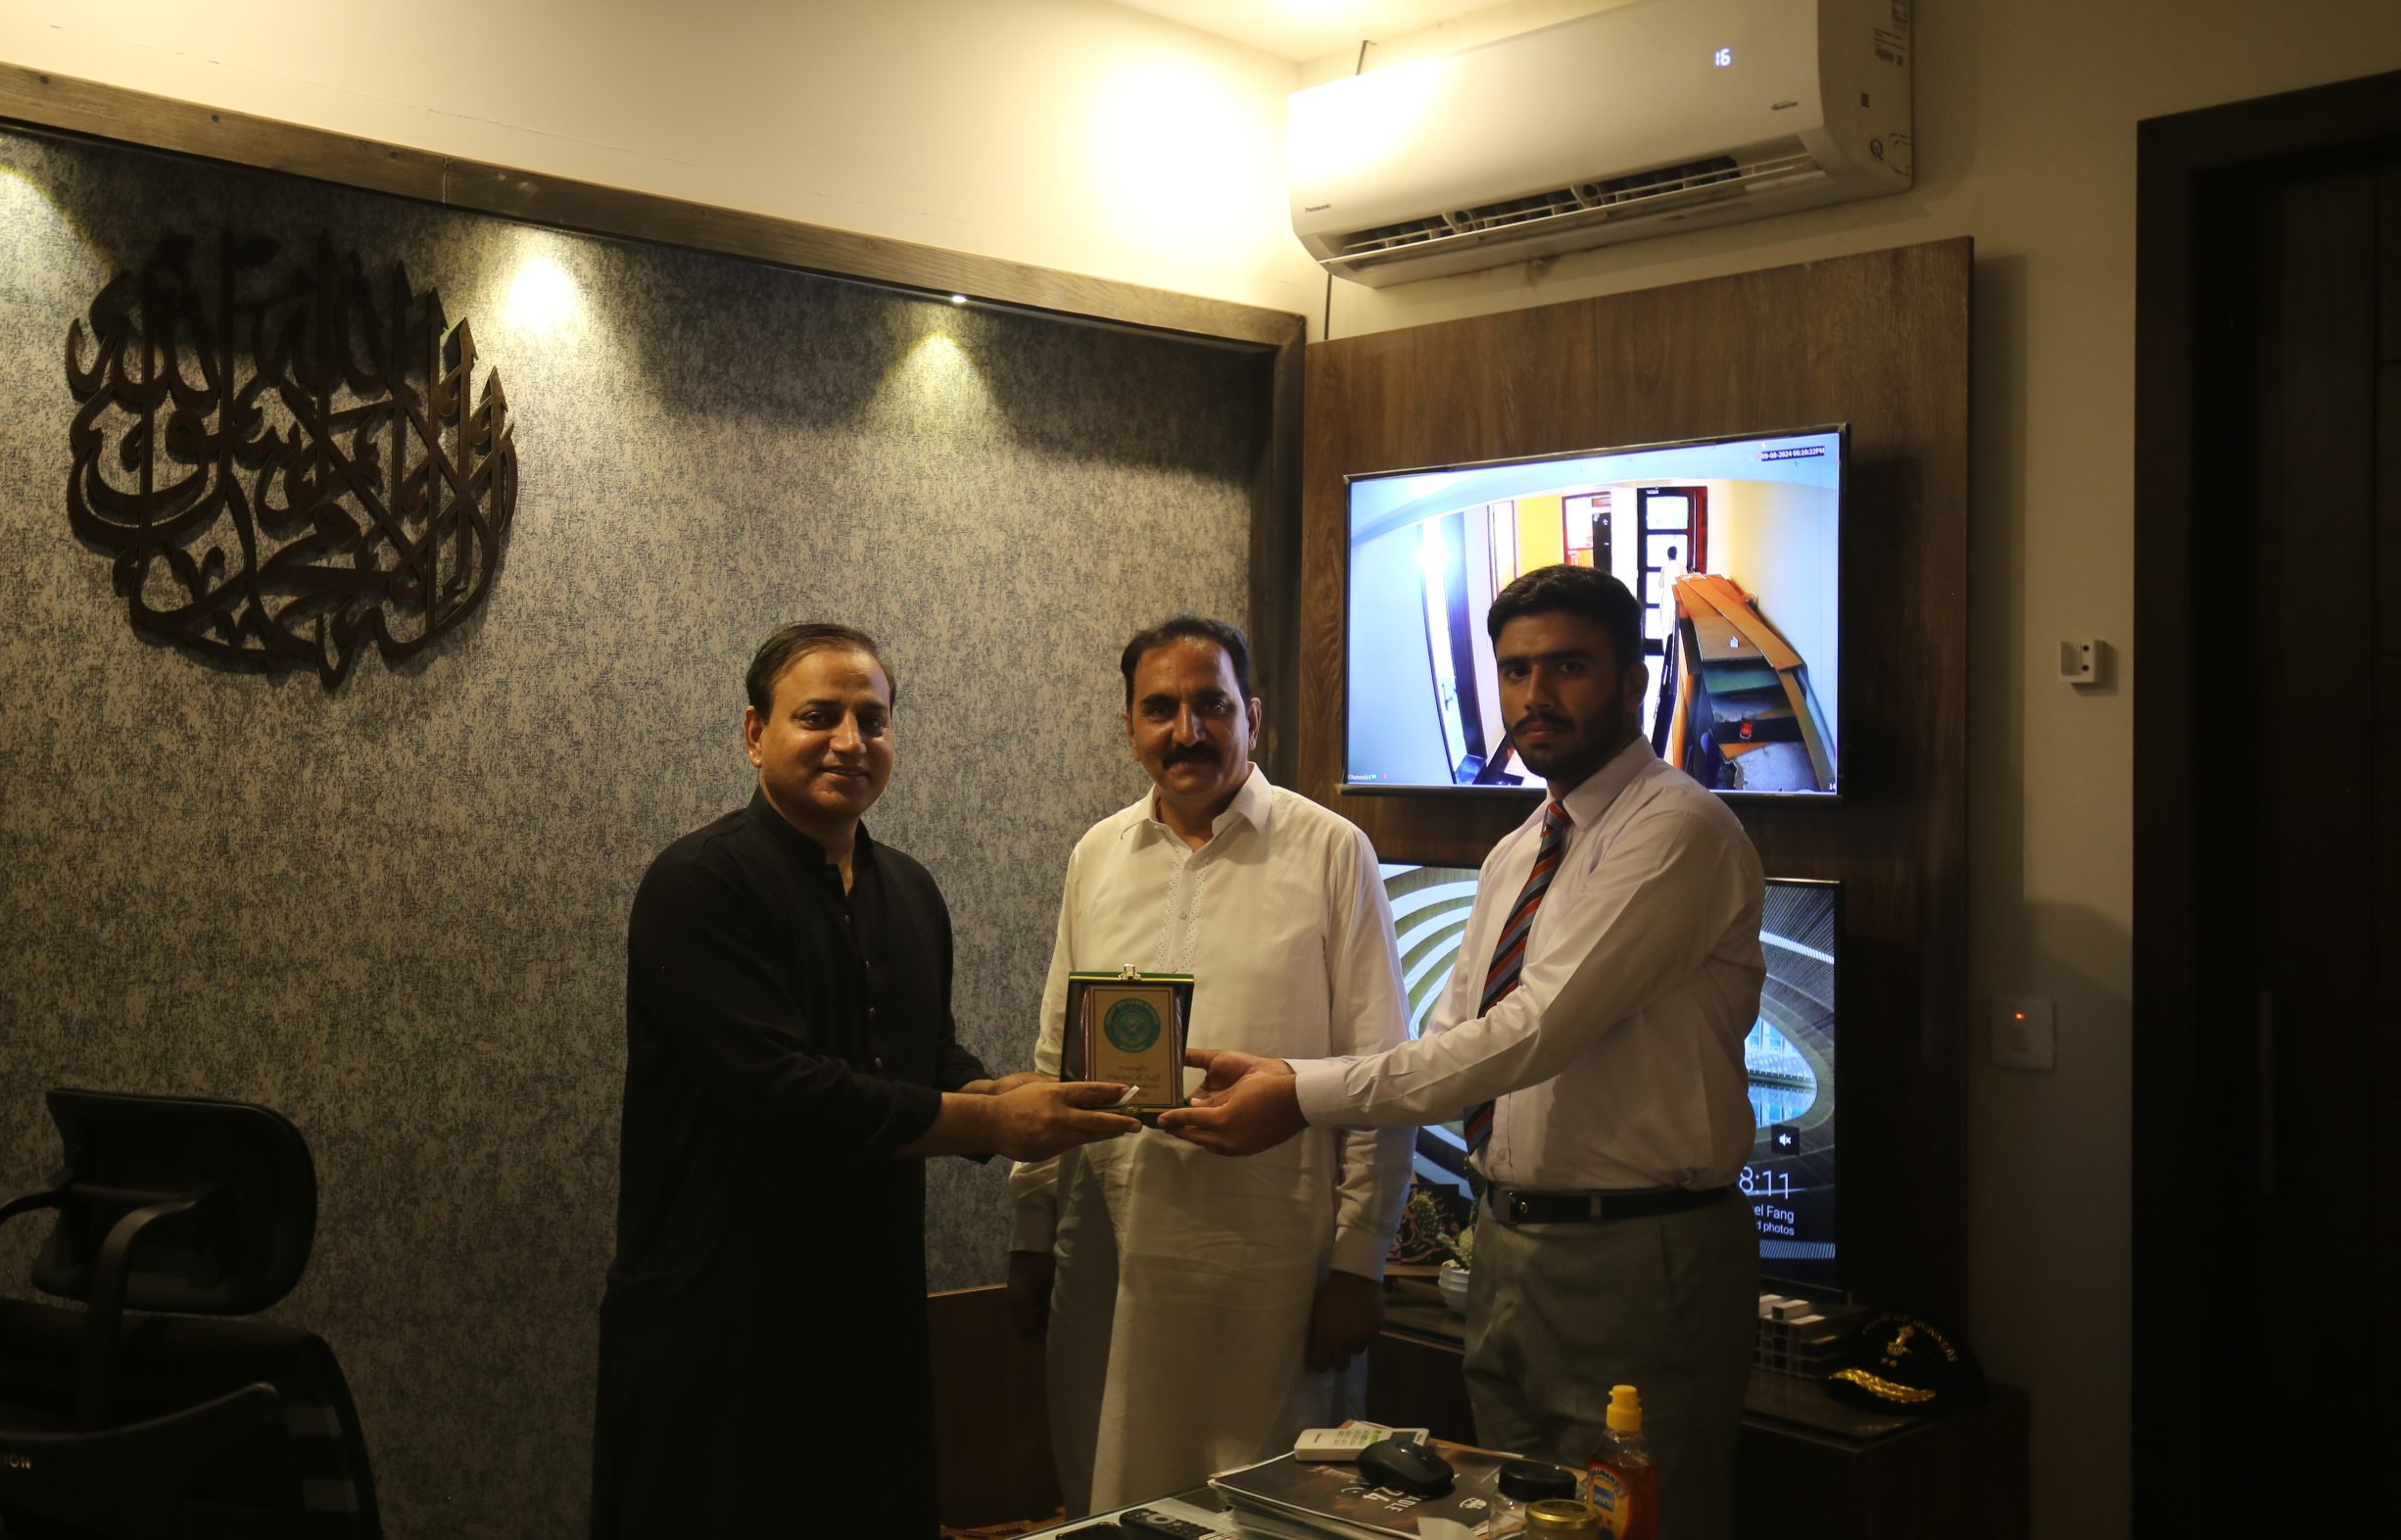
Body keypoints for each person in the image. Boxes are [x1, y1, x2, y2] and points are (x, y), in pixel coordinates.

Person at [1163, 568, 1766, 1540]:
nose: (1535, 695)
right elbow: (1448, 1047)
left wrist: (1301, 1092)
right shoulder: (1520, 849)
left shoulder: (1678, 829)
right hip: (1508, 1244)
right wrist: (1295, 1085)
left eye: (1567, 667)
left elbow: (1531, 1033)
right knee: (1516, 1523)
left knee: (1641, 1525)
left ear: (1631, 682)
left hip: (1641, 1254)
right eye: (1515, 670)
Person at [593, 622, 1139, 1540]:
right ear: (755, 732)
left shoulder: (911, 890)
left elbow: (923, 1056)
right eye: (819, 716)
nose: (850, 741)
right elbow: (785, 1092)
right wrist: (991, 1125)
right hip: (718, 1314)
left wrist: (1001, 1092)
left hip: (869, 1310)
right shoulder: (698, 886)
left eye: (872, 720)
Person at [1003, 615, 1414, 1514]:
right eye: (1160, 709)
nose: (1186, 730)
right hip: (1110, 1253)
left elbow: (1382, 1070)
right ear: (1128, 727)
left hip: (1271, 1263)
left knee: (1264, 1500)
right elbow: (1053, 1051)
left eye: (1211, 705)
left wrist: (1361, 1260)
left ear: (1251, 716)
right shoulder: (1097, 854)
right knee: (1113, 1488)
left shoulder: (1330, 849)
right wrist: (1033, 1226)